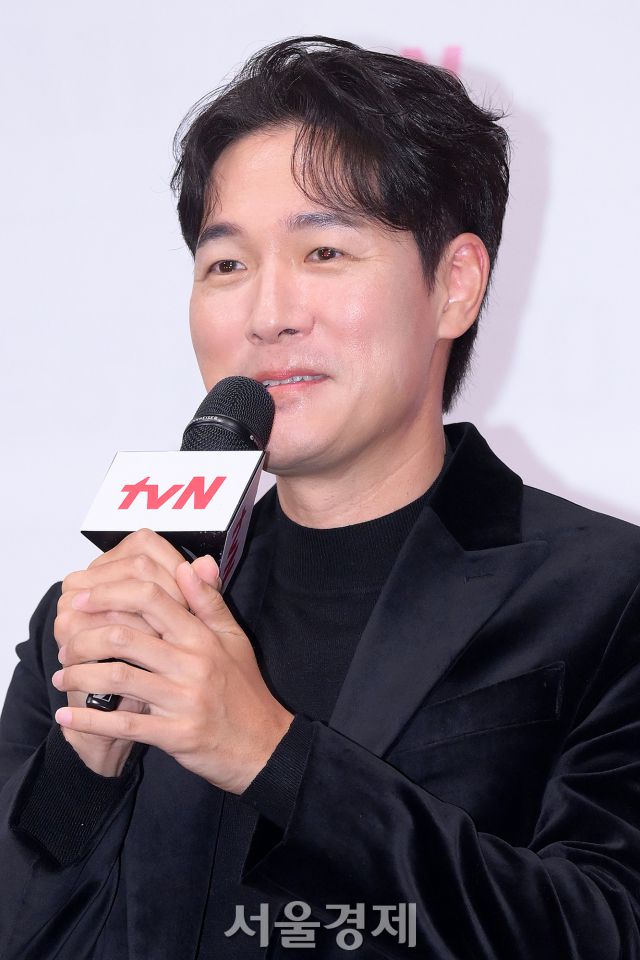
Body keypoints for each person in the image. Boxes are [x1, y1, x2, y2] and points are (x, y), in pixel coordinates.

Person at [1, 35, 640, 960]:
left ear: (455, 285)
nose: (268, 315)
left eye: (325, 251)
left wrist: (274, 757)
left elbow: (606, 929)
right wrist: (81, 767)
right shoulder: (104, 620)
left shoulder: (607, 594)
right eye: (226, 265)